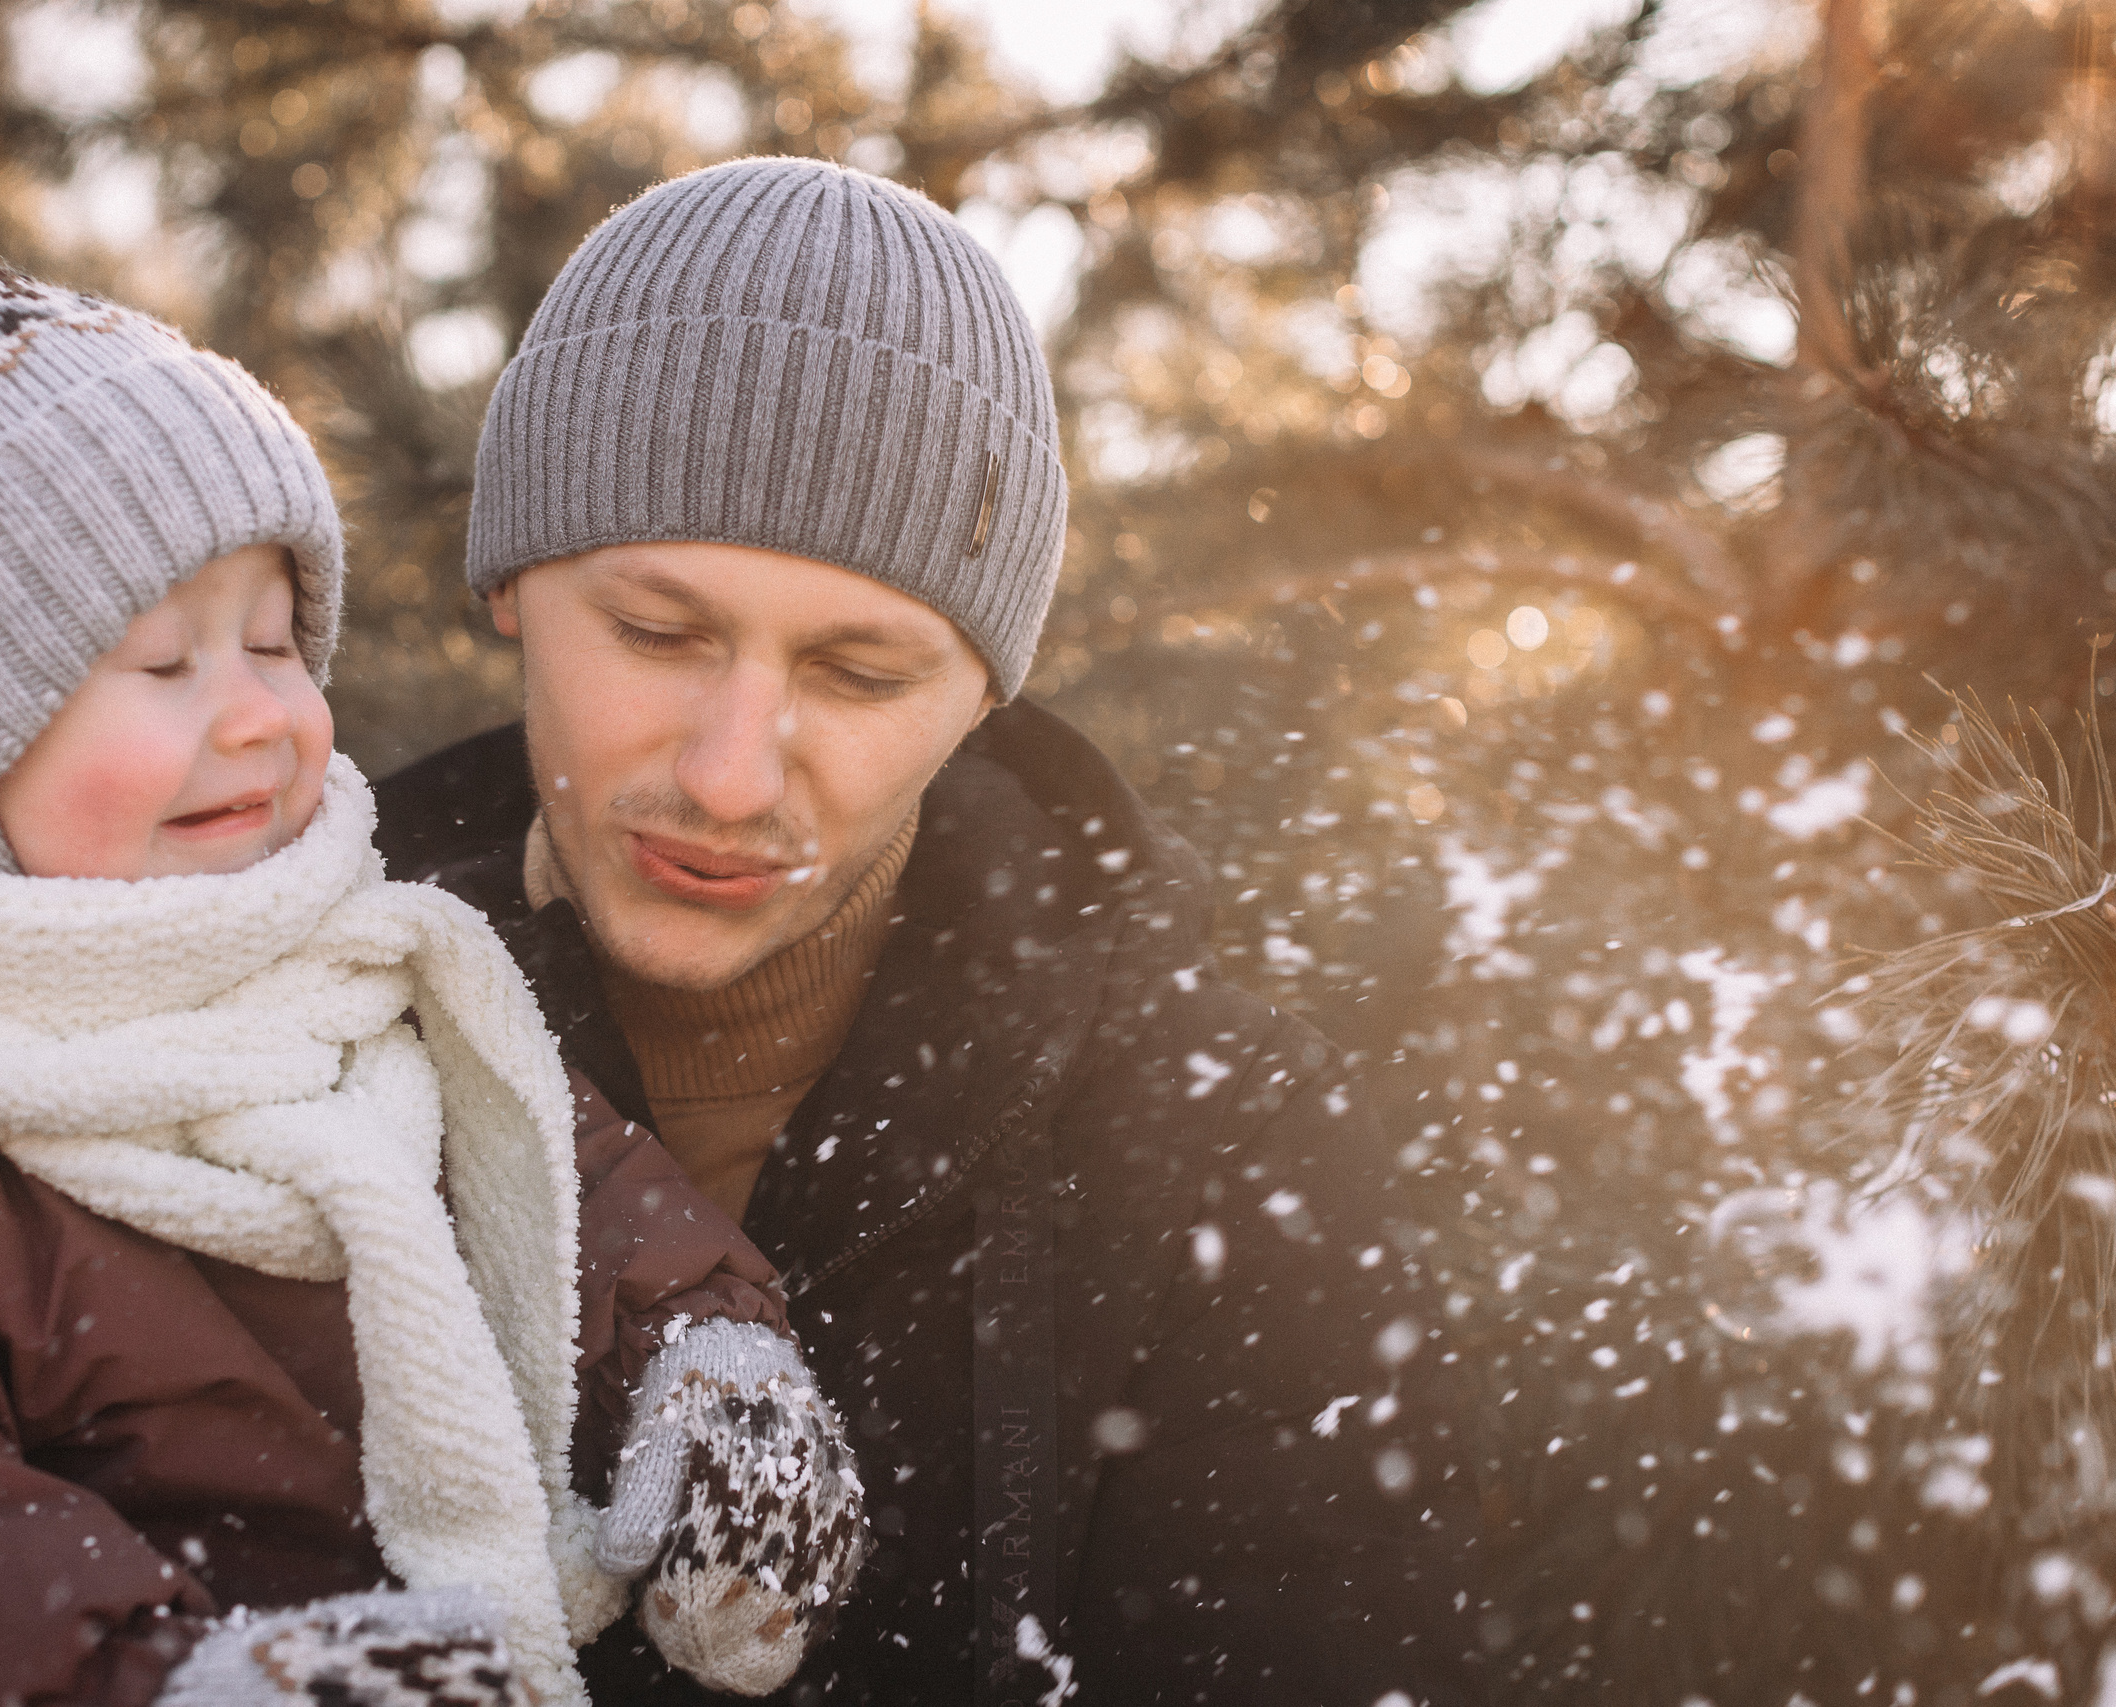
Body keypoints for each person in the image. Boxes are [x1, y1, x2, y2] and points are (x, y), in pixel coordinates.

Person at [0, 123, 864, 1707]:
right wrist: (197, 1683)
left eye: (275, 642)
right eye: (165, 664)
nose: (257, 715)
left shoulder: (356, 981)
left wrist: (711, 1373)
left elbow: (570, 1195)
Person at [372, 156, 1486, 1705]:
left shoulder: (1225, 1154)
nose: (730, 774)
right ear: (509, 586)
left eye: (861, 675)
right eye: (657, 632)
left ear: (980, 697)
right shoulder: (274, 1034)